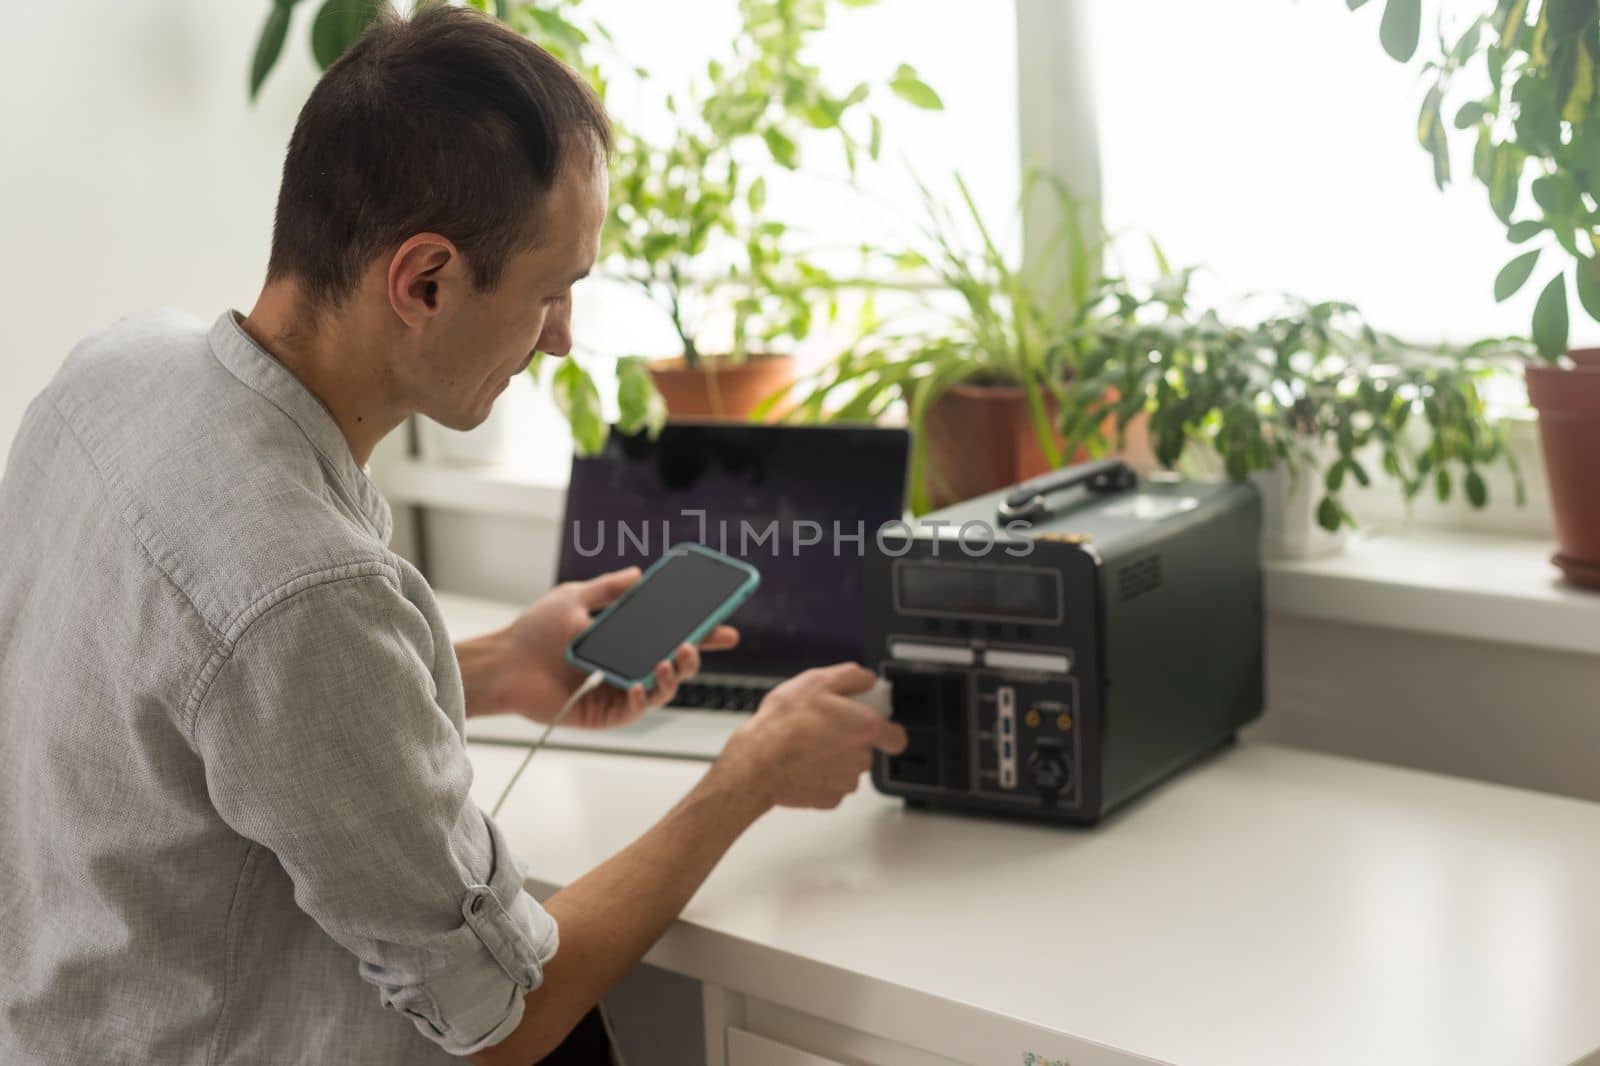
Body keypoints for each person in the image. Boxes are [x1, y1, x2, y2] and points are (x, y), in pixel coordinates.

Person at [0, 6, 908, 1064]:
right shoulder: (307, 587)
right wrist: (746, 777)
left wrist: (498, 668)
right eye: (551, 292)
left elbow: (191, 712)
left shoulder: (115, 369)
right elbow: (501, 1021)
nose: (562, 337)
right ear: (424, 281)